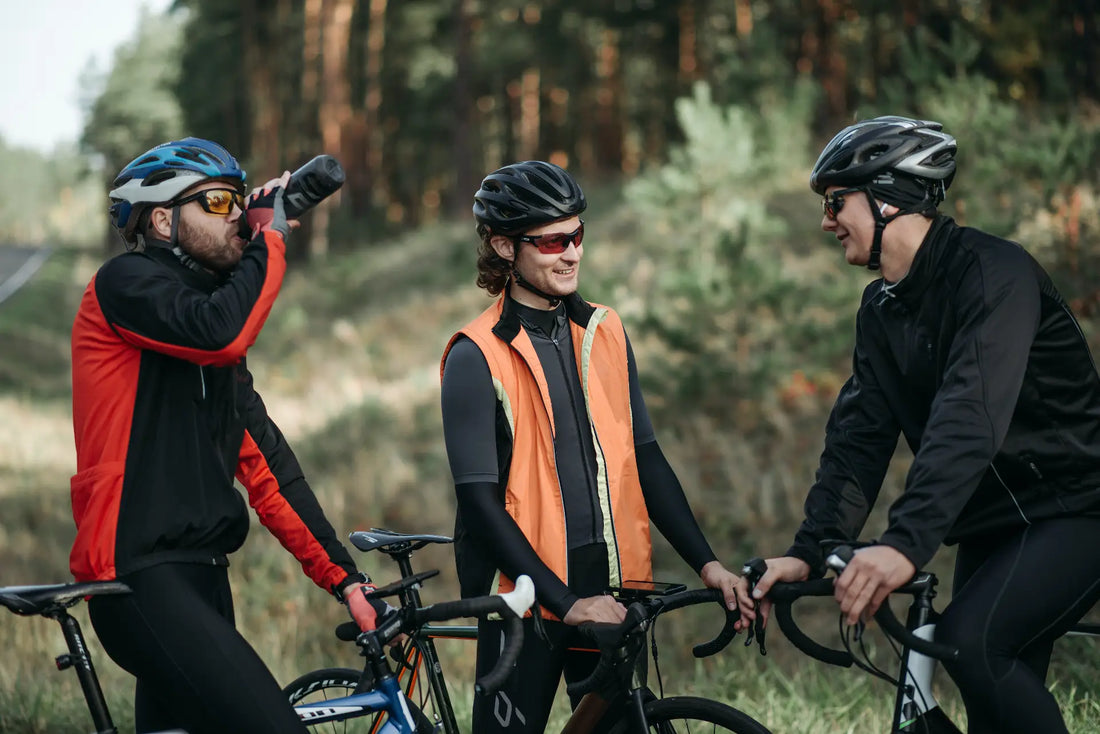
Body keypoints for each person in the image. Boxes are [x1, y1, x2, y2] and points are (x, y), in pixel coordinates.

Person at [741, 116, 1100, 734]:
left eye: (836, 202)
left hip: (1077, 507)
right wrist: (809, 550)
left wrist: (903, 544)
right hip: (993, 523)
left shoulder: (995, 276)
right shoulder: (881, 307)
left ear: (887, 199)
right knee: (988, 696)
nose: (826, 221)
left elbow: (971, 417)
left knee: (970, 644)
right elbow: (859, 438)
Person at [70, 137, 388, 734]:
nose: (238, 214)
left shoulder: (204, 333)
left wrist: (344, 578)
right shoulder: (124, 284)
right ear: (162, 219)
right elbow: (222, 331)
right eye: (216, 202)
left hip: (205, 575)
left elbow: (270, 470)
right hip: (140, 578)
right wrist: (268, 237)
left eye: (241, 200)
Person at [439, 160, 749, 732]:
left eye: (577, 234)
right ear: (505, 248)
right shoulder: (474, 356)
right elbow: (480, 507)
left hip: (608, 588)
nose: (572, 253)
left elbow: (645, 460)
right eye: (554, 240)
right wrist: (564, 602)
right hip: (523, 599)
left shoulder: (605, 331)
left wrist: (707, 564)